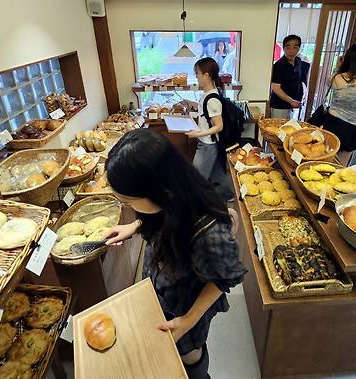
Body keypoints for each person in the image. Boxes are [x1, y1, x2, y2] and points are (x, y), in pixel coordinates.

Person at [104, 129, 247, 379]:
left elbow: (223, 279)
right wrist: (134, 226)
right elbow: (159, 216)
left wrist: (188, 321)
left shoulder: (207, 232)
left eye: (127, 201)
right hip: (164, 288)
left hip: (187, 303)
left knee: (187, 352)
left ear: (159, 192)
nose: (126, 206)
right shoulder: (173, 197)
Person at [185, 57, 234, 201]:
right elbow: (206, 112)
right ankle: (228, 195)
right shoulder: (208, 94)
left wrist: (198, 133)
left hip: (208, 144)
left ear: (206, 75)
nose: (196, 77)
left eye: (197, 74)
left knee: (197, 177)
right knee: (217, 173)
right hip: (209, 143)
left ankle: (197, 205)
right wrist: (192, 104)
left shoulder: (212, 98)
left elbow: (219, 126)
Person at [324, 43, 356, 165]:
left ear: (347, 59)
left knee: (323, 158)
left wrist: (338, 67)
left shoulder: (337, 78)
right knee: (340, 167)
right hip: (351, 128)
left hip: (331, 123)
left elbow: (329, 83)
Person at [270, 34, 310, 119]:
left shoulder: (298, 61)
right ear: (283, 48)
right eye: (288, 47)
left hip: (293, 105)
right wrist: (291, 101)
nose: (291, 51)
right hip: (279, 105)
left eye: (295, 47)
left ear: (299, 48)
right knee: (278, 130)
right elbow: (275, 88)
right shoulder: (279, 65)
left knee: (288, 129)